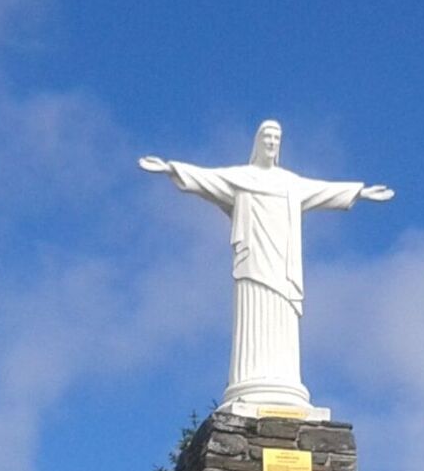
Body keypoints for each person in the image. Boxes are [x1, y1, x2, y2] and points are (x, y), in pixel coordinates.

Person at [139, 120, 393, 415]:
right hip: (253, 265)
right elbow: (207, 178)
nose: (272, 142)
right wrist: (170, 168)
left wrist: (360, 192)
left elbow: (323, 191)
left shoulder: (290, 183)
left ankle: (284, 384)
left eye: (277, 138)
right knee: (253, 320)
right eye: (268, 137)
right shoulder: (241, 178)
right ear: (258, 142)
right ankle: (250, 383)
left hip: (283, 270)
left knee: (283, 323)